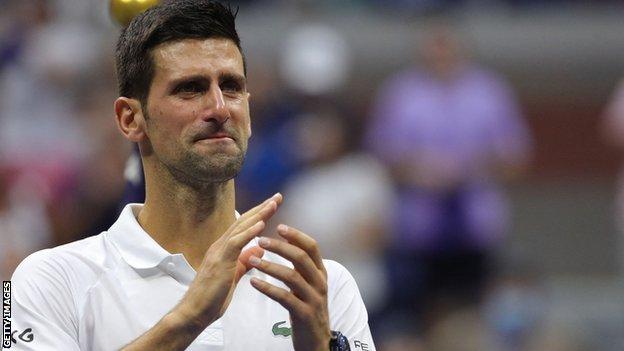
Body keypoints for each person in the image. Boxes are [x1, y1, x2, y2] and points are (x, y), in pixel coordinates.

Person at [9, 2, 375, 350]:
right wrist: (190, 317)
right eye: (190, 89)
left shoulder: (321, 287)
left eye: (231, 86)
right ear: (130, 119)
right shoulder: (47, 280)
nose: (219, 108)